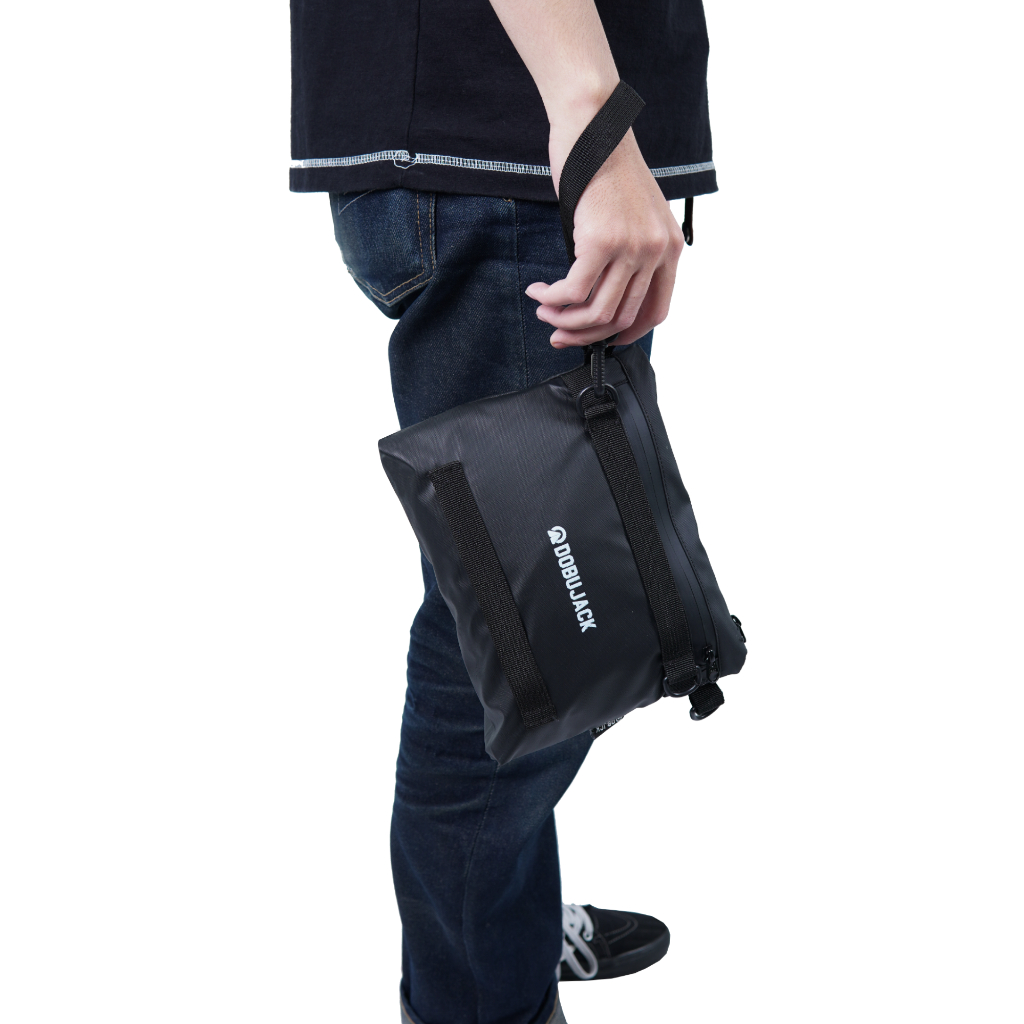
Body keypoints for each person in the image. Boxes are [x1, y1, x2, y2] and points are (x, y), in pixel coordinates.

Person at [290, 1, 718, 1020]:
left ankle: (499, 927)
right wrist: (590, 119)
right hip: (512, 152)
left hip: (499, 150)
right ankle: (478, 991)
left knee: (524, 619)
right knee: (536, 635)